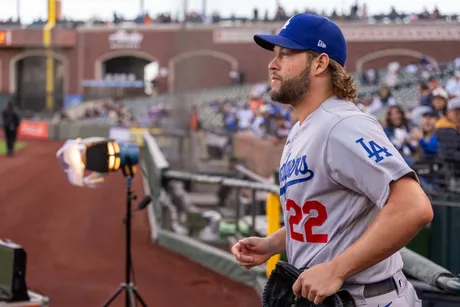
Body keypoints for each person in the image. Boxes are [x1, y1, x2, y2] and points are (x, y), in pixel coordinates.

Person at [231, 14, 433, 306]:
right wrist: (272, 244)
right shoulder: (303, 127)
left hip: (366, 297)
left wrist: (336, 269)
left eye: (286, 54)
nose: (272, 65)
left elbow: (414, 207)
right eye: (275, 55)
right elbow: (327, 214)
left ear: (320, 63)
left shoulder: (342, 124)